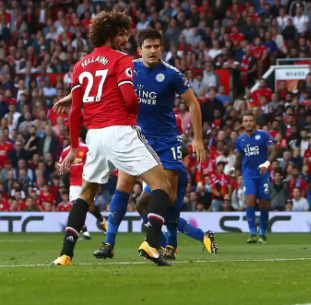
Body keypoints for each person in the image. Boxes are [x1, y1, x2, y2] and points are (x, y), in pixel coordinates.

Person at [56, 29, 214, 260]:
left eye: (157, 46)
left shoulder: (172, 74)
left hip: (165, 140)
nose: (153, 50)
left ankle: (168, 242)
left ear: (161, 49)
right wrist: (72, 97)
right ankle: (110, 242)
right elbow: (102, 83)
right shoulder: (128, 65)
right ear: (140, 50)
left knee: (162, 196)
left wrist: (198, 139)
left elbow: (193, 104)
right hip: (133, 136)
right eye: (148, 47)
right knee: (123, 185)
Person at [51, 11, 175, 267]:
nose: (125, 39)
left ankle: (65, 254)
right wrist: (133, 110)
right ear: (110, 34)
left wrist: (74, 146)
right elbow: (129, 99)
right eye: (122, 33)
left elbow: (75, 110)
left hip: (94, 136)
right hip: (120, 130)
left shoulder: (80, 65)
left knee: (85, 195)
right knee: (163, 185)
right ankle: (151, 243)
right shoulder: (122, 59)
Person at [234, 114, 275, 243]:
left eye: (251, 120)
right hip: (248, 175)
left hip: (263, 175)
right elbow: (239, 157)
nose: (248, 123)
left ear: (254, 123)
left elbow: (273, 150)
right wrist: (234, 169)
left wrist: (266, 164)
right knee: (250, 201)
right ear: (242, 124)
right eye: (245, 121)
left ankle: (262, 233)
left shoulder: (263, 135)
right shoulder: (240, 140)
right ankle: (252, 233)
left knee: (264, 204)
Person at [58, 140, 107, 240]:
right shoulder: (65, 151)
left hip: (86, 181)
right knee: (77, 207)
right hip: (74, 183)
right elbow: (60, 168)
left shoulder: (85, 148)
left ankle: (103, 221)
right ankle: (86, 233)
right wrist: (64, 169)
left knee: (90, 207)